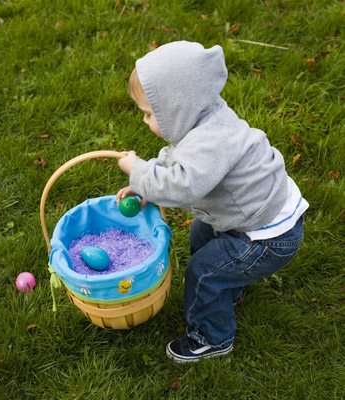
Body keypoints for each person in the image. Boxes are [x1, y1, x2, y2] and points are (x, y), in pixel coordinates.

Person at [116, 41, 308, 363]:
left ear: (177, 108)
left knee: (204, 272)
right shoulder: (202, 117)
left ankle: (211, 338)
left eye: (150, 114)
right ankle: (227, 289)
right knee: (200, 235)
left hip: (269, 236)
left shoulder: (212, 140)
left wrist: (138, 171)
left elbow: (181, 186)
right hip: (258, 211)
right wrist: (147, 187)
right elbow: (176, 161)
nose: (146, 122)